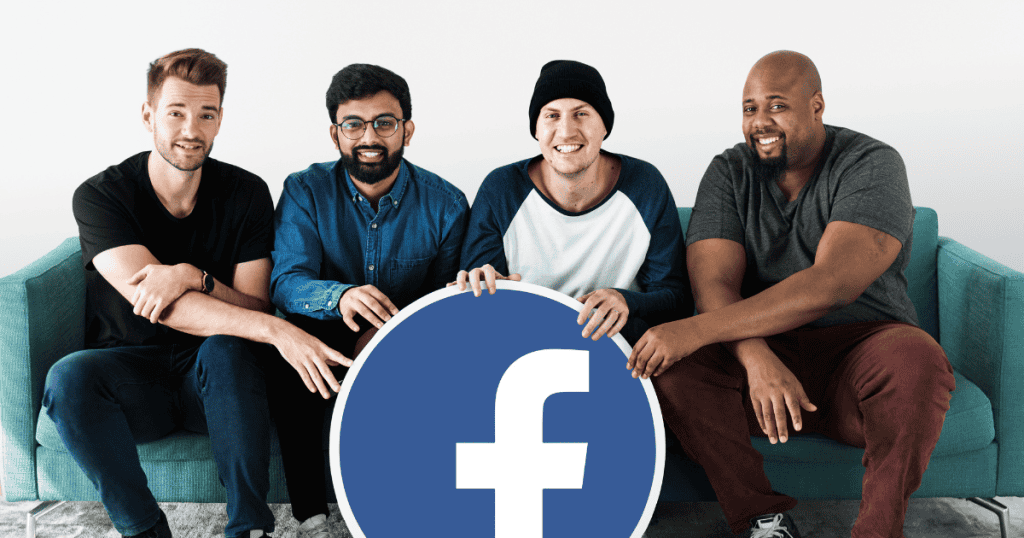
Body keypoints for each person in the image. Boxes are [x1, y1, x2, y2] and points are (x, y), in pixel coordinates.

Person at [629, 51, 956, 538]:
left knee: (917, 358)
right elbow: (713, 283)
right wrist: (755, 358)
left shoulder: (872, 163)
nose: (760, 122)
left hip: (859, 348)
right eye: (749, 108)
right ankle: (764, 519)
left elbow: (832, 283)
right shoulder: (728, 171)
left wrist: (693, 329)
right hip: (760, 358)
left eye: (776, 106)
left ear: (816, 106)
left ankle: (878, 531)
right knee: (671, 367)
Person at [44, 48, 349, 538]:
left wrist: (194, 275)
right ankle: (144, 530)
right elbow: (163, 308)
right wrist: (278, 331)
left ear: (220, 119)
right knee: (69, 377)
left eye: (206, 114)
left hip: (218, 385)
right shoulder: (101, 195)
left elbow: (253, 303)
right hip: (131, 379)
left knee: (228, 347)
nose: (191, 129)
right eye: (176, 113)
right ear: (148, 116)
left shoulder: (246, 192)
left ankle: (249, 528)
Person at [268, 63, 469, 538]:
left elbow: (448, 301)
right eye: (353, 124)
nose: (369, 136)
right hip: (324, 330)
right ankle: (312, 518)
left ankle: (412, 508)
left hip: (410, 340)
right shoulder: (305, 189)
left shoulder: (447, 203)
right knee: (293, 356)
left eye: (384, 122)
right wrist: (341, 297)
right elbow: (287, 281)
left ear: (407, 130)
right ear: (335, 133)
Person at [457, 60, 690, 345]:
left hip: (617, 349)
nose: (566, 131)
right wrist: (484, 288)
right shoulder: (501, 190)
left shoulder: (645, 185)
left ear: (605, 126)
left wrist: (627, 301)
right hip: (523, 346)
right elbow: (476, 306)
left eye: (581, 114)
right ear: (536, 129)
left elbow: (676, 298)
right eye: (552, 116)